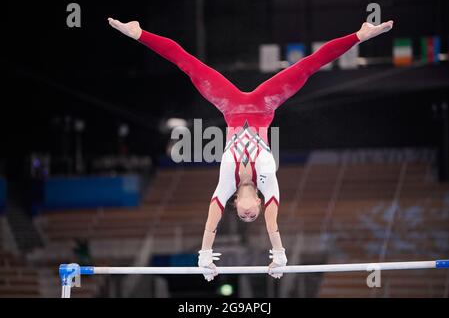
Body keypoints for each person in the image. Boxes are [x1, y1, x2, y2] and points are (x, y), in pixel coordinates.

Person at [108, 17, 394, 281]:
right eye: (253, 215)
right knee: (308, 65)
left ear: (237, 204)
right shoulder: (268, 181)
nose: (249, 216)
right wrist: (279, 254)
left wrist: (205, 255)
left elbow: (212, 218)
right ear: (258, 202)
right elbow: (273, 224)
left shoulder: (227, 183)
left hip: (230, 106)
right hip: (266, 104)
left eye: (244, 216)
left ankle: (139, 33)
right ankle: (360, 34)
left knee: (189, 64)